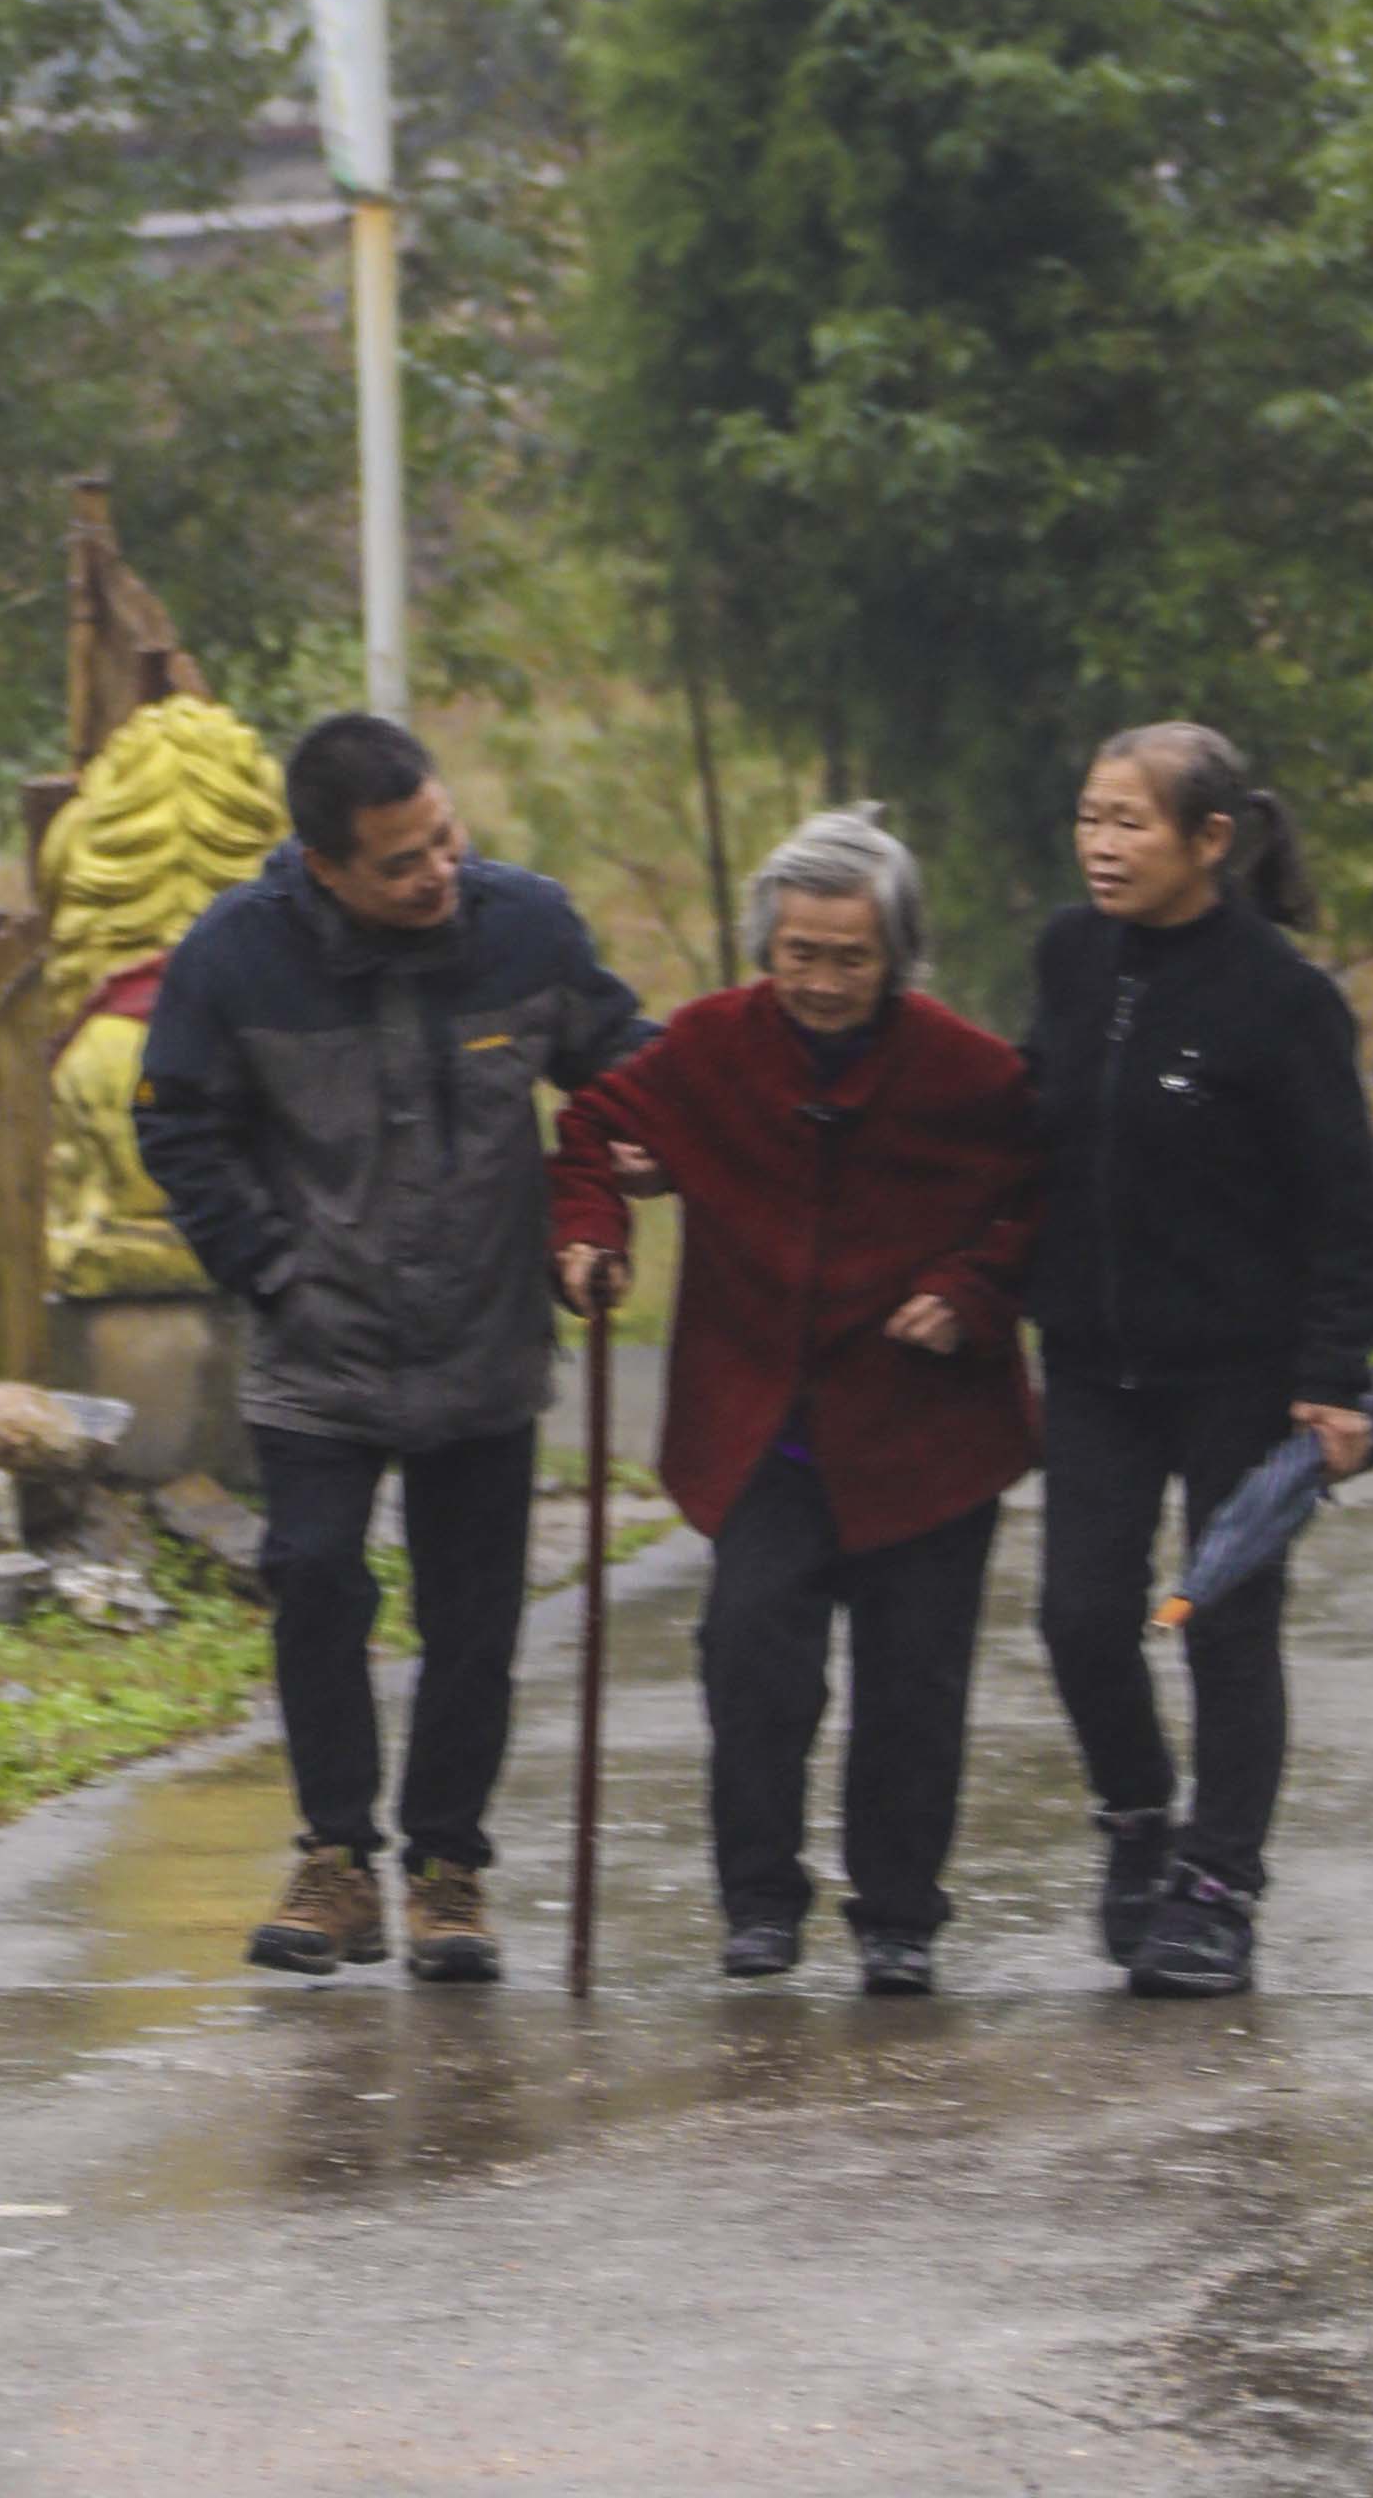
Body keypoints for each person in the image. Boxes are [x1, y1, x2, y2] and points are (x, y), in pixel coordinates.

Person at [133, 708, 650, 1986]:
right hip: (321, 1342)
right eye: (402, 862)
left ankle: (448, 1870)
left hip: (483, 1334)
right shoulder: (233, 958)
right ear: (325, 867)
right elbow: (178, 1127)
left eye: (444, 840)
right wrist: (269, 1266)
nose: (438, 875)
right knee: (312, 1578)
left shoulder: (526, 925)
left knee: (471, 1616)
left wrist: (620, 1179)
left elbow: (625, 1073)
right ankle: (335, 1860)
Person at [550, 806, 1038, 1997]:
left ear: (897, 959)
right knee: (751, 1662)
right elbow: (591, 1130)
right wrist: (589, 1241)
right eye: (797, 955)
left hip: (924, 1433)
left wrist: (967, 1290)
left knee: (912, 1685)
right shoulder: (713, 1046)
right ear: (765, 949)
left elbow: (1042, 1196)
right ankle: (759, 1905)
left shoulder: (968, 1072)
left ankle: (899, 1917)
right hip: (764, 1424)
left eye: (848, 959)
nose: (819, 983)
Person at [1026, 717, 1373, 2002]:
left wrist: (1331, 1381)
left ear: (1210, 840)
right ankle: (1138, 1821)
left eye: (1129, 822)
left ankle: (1218, 1888)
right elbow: (1024, 1125)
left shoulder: (1284, 1000)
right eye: (1089, 816)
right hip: (1089, 1364)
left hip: (1241, 1372)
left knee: (1226, 1627)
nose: (1102, 844)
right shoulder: (1070, 959)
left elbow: (1345, 1206)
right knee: (1077, 1617)